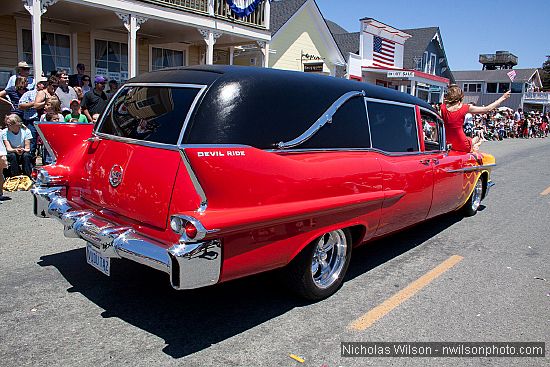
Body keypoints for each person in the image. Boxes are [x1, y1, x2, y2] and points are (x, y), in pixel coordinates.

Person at [440, 85, 510, 152]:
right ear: (460, 97)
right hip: (462, 144)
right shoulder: (464, 107)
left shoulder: (442, 108)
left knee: (470, 139)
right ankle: (477, 143)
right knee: (477, 138)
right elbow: (487, 109)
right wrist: (503, 97)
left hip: (447, 142)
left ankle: (475, 144)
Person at [18, 77, 47, 160]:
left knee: (44, 143)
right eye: (43, 83)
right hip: (31, 120)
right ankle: (30, 163)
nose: (45, 85)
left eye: (46, 83)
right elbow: (20, 105)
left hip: (44, 120)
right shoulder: (29, 93)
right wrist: (35, 103)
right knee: (32, 142)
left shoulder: (49, 93)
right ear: (38, 85)